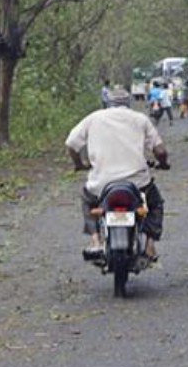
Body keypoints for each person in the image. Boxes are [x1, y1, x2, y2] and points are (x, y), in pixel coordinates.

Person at [65, 88, 169, 262]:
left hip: (101, 184)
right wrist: (163, 163)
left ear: (108, 103)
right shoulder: (140, 119)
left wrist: (79, 165)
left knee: (87, 199)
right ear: (128, 103)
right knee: (155, 204)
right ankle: (150, 245)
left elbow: (71, 144)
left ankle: (96, 241)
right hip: (137, 184)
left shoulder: (94, 118)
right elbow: (160, 150)